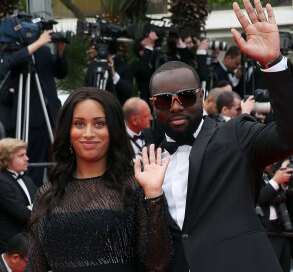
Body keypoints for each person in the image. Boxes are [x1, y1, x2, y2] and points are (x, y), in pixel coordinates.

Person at [148, 0, 293, 271]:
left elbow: (292, 135)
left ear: (202, 95)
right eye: (163, 100)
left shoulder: (236, 134)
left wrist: (273, 64)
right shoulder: (146, 163)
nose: (175, 106)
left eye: (186, 97)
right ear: (152, 106)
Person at [25, 87, 172, 271]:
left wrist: (153, 195)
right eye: (79, 124)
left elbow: (158, 263)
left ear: (113, 130)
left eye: (99, 124)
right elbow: (34, 266)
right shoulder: (46, 195)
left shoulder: (135, 187)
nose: (88, 133)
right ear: (67, 130)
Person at [2, 30, 68, 187]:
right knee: (34, 167)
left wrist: (60, 53)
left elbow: (61, 72)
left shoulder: (44, 51)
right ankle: (35, 202)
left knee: (60, 162)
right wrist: (38, 43)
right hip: (31, 119)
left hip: (52, 116)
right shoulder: (14, 51)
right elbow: (8, 63)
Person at [0, 138, 37, 254]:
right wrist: (33, 209)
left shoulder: (27, 180)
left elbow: (45, 206)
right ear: (7, 159)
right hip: (10, 248)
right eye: (21, 156)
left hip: (30, 244)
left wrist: (31, 208)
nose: (27, 159)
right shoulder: (1, 181)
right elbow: (23, 215)